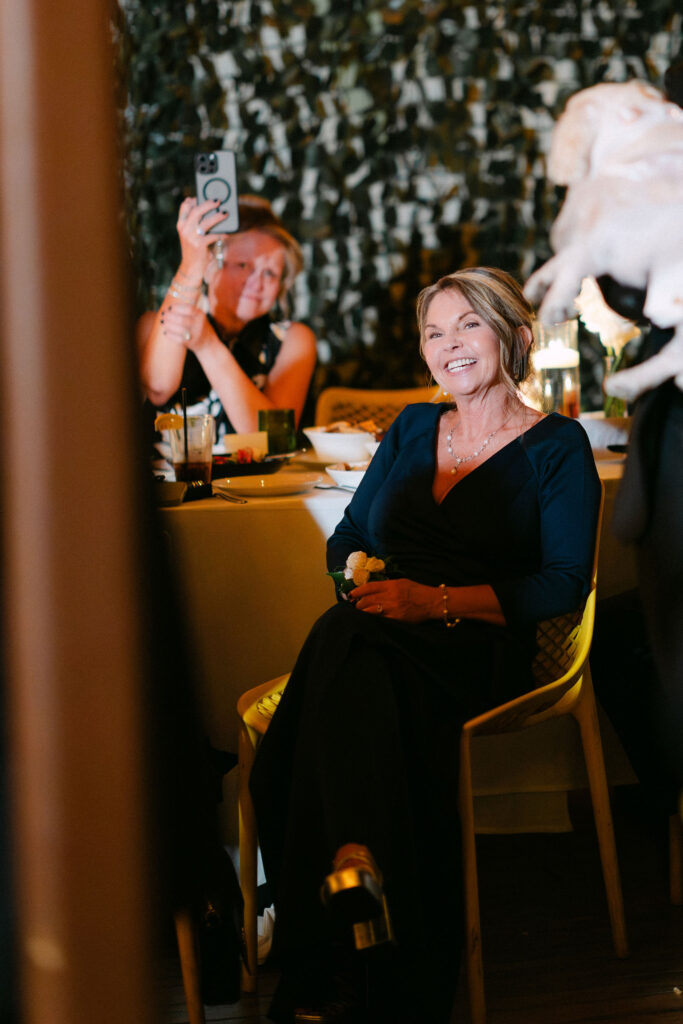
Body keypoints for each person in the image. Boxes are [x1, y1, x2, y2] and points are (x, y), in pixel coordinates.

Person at [250, 267, 601, 1023]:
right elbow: (347, 540)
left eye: (465, 326)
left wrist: (428, 601)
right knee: (355, 647)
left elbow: (562, 585)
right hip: (382, 634)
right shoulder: (412, 426)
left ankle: (328, 955)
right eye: (433, 332)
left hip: (475, 642)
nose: (447, 347)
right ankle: (360, 888)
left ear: (513, 335)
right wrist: (359, 580)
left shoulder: (557, 446)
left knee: (334, 665)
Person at [137, 194, 317, 439]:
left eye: (270, 273)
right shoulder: (153, 325)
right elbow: (157, 387)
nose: (256, 283)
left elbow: (277, 438)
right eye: (243, 265)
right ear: (210, 266)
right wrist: (192, 264)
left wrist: (208, 345)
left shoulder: (292, 339)